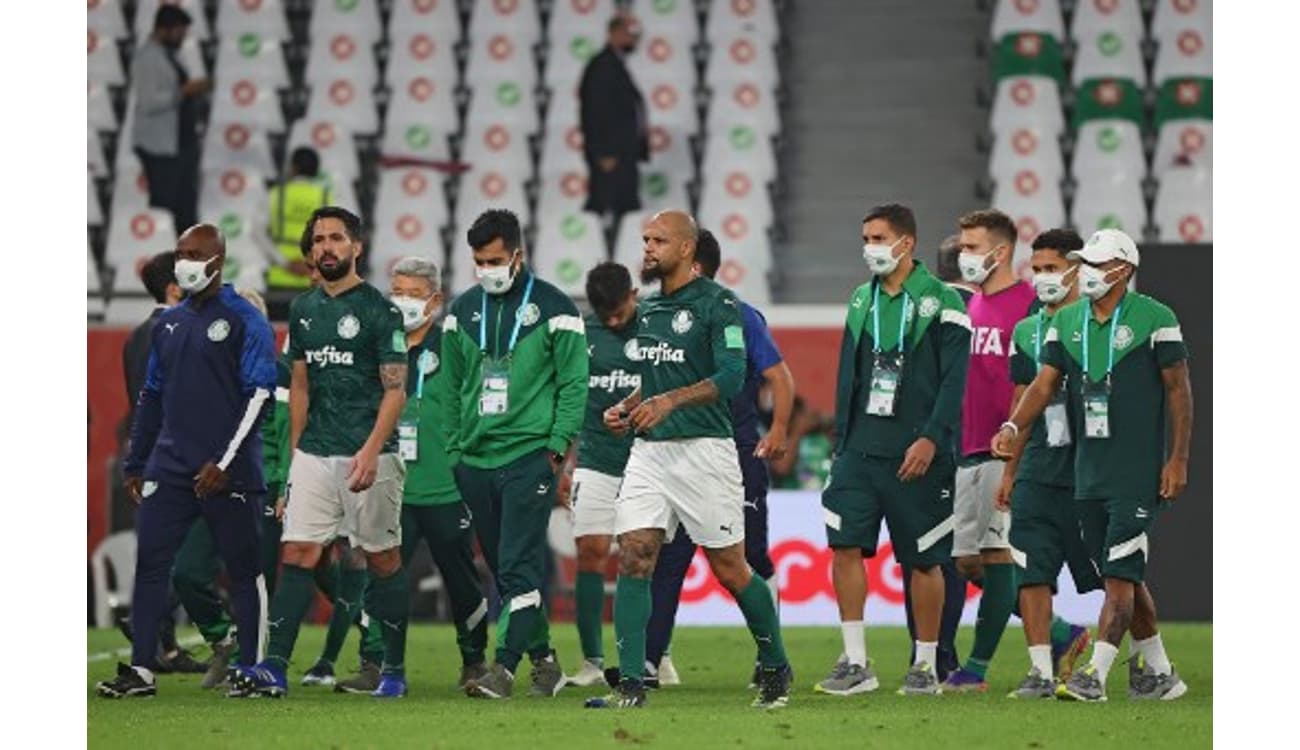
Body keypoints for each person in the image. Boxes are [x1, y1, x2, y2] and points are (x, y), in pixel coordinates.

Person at [587, 210, 792, 711]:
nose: (648, 247)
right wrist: (630, 407)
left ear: (686, 248)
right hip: (650, 454)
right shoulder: (650, 310)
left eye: (658, 240)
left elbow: (730, 375)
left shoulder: (720, 304)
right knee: (635, 556)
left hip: (705, 450)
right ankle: (632, 683)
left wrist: (669, 402)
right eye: (645, 239)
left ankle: (775, 662)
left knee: (730, 568)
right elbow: (653, 382)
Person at [993, 228, 1193, 702]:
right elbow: (1041, 386)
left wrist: (1178, 459)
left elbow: (1179, 392)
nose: (1085, 273)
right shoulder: (1067, 323)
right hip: (1087, 473)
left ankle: (1094, 676)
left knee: (1120, 576)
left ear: (1122, 269)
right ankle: (1161, 673)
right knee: (1120, 572)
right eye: (1083, 263)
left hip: (1135, 473)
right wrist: (1012, 427)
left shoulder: (1155, 318)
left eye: (1096, 265)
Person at [235, 207, 412, 699]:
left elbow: (395, 390)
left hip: (370, 455)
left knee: (382, 558)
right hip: (314, 452)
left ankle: (393, 668)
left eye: (336, 238)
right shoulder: (303, 309)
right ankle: (274, 666)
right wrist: (295, 461)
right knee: (298, 552)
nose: (326, 247)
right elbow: (301, 387)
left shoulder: (381, 311)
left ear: (357, 247)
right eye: (318, 240)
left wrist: (373, 450)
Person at [96, 224, 276, 698]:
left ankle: (253, 668)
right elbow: (152, 395)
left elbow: (259, 395)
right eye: (180, 254)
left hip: (228, 471)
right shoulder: (169, 324)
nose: (185, 262)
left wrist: (227, 461)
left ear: (219, 259)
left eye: (195, 253)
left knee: (243, 569)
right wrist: (137, 462)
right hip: (170, 467)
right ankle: (141, 670)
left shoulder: (245, 319)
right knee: (152, 564)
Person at [816, 203, 967, 697]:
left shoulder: (943, 301)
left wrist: (930, 436)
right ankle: (856, 661)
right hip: (860, 450)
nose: (869, 248)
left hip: (918, 451)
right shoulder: (862, 299)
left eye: (878, 238)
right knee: (843, 546)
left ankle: (925, 665)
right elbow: (849, 375)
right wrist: (841, 443)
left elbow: (954, 381)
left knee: (923, 560)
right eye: (866, 238)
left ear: (906, 242)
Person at [442, 209, 588, 700]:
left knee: (520, 567)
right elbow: (450, 387)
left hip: (530, 457)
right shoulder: (462, 312)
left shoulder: (556, 308)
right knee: (508, 570)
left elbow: (574, 384)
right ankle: (545, 663)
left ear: (519, 255)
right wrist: (454, 449)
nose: (487, 269)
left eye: (496, 260)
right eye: (479, 261)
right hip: (475, 462)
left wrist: (556, 448)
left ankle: (502, 669)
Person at [641, 229, 796, 689]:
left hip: (734, 451)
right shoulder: (657, 313)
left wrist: (781, 430)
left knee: (748, 556)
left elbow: (780, 378)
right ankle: (652, 658)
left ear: (695, 264)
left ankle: (768, 656)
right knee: (667, 559)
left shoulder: (738, 315)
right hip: (676, 452)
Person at [943, 210, 1085, 691]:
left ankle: (976, 670)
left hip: (1002, 451)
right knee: (968, 562)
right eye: (962, 247)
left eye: (972, 246)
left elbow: (1028, 388)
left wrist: (1012, 455)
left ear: (1000, 252)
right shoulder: (974, 306)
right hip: (966, 447)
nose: (964, 255)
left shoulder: (1027, 306)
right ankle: (1063, 632)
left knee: (1000, 557)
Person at [996, 228, 1104, 698]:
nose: (1042, 278)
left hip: (1093, 467)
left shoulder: (1098, 323)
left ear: (1078, 271)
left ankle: (1147, 657)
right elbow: (1022, 398)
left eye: (1052, 269)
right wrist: (1010, 471)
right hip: (1040, 465)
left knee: (1118, 574)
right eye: (1036, 269)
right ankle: (1040, 670)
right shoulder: (1025, 331)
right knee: (1031, 570)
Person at [388, 256, 492, 689]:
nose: (403, 302)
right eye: (397, 292)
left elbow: (476, 404)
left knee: (462, 580)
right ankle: (381, 663)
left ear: (435, 300)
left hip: (446, 484)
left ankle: (474, 660)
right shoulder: (381, 342)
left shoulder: (454, 342)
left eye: (413, 294)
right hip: (393, 482)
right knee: (383, 576)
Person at [566, 262, 641, 687]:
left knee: (641, 558)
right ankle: (593, 661)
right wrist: (565, 461)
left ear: (633, 294)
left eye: (619, 312)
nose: (613, 321)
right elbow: (572, 399)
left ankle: (654, 656)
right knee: (591, 551)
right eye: (605, 314)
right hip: (595, 458)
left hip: (648, 461)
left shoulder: (654, 329)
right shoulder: (582, 335)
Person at [130, 5, 208, 232]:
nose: (182, 38)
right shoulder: (147, 58)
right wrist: (184, 91)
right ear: (163, 30)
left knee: (185, 208)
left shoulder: (171, 55)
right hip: (161, 148)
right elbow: (148, 102)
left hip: (180, 144)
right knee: (166, 207)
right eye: (179, 32)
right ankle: (165, 259)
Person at [579, 12, 648, 246]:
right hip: (611, 156)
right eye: (630, 34)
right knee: (605, 207)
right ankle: (599, 256)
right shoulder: (604, 65)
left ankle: (615, 257)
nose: (635, 40)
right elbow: (594, 112)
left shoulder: (614, 64)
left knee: (623, 208)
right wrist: (602, 152)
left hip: (622, 154)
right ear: (614, 33)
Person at [268, 147, 331, 292]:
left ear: (293, 168)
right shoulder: (327, 197)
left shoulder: (276, 194)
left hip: (281, 277)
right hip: (316, 278)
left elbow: (257, 232)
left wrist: (283, 262)